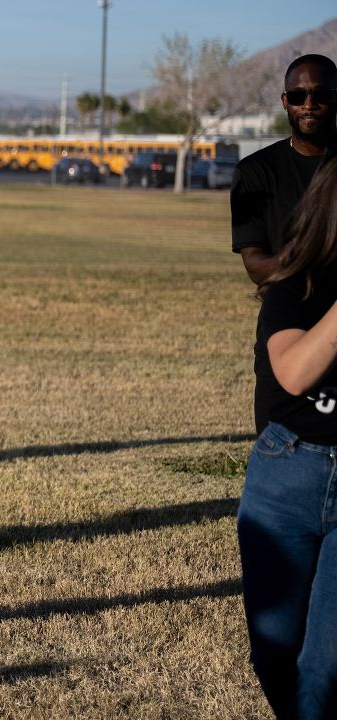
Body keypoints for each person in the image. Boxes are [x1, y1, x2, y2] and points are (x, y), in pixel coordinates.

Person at [242, 155, 337, 720]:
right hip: (287, 476)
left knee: (325, 673)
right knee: (273, 655)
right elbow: (296, 372)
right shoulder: (295, 285)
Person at [234, 55, 337, 434]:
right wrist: (317, 262)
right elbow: (254, 264)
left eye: (320, 94)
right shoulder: (254, 172)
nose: (308, 104)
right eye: (297, 95)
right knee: (278, 446)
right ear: (284, 102)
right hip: (287, 328)